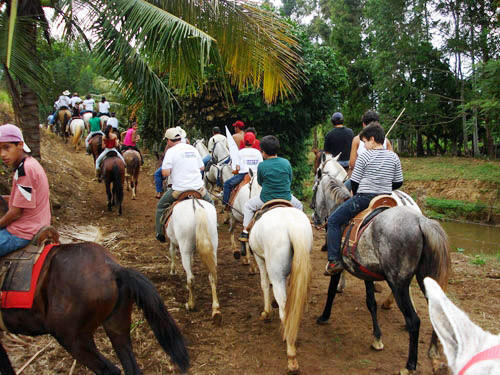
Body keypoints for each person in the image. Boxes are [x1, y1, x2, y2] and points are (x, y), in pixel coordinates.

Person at [324, 122, 403, 275]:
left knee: (333, 220)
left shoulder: (365, 156)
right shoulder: (393, 156)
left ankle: (334, 260)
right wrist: (384, 187)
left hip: (365, 199)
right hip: (386, 199)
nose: (364, 145)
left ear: (372, 139)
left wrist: (359, 192)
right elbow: (399, 182)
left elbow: (355, 182)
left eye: (365, 142)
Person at [238, 135, 303, 242]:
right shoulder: (286, 162)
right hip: (286, 198)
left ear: (263, 152)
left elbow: (260, 182)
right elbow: (289, 180)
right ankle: (299, 229)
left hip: (266, 198)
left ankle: (245, 231)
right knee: (300, 205)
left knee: (248, 206)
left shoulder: (262, 165)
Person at [0, 124, 51, 256]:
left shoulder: (25, 170)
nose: (2, 154)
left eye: (7, 147)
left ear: (20, 145)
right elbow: (22, 198)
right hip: (38, 223)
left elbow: (16, 213)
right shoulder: (30, 163)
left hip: (24, 231)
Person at [155, 128, 213, 242]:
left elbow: (165, 173)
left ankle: (160, 233)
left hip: (179, 190)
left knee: (160, 207)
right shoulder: (192, 148)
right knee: (210, 203)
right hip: (198, 188)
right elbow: (201, 167)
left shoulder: (171, 151)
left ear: (168, 140)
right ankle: (213, 225)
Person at [222, 132, 263, 207]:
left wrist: (237, 170)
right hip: (256, 175)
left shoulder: (240, 152)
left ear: (244, 142)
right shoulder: (258, 152)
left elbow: (237, 168)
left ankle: (226, 204)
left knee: (227, 184)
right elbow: (261, 166)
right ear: (254, 142)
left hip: (243, 175)